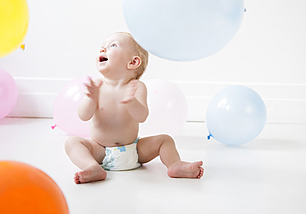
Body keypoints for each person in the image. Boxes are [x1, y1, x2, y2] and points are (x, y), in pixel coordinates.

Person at [65, 32, 204, 184]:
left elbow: (142, 116)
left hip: (135, 150)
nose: (103, 49)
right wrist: (91, 100)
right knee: (72, 142)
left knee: (165, 140)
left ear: (133, 62)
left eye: (112, 45)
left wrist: (133, 103)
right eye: (102, 46)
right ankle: (91, 166)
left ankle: (174, 164)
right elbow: (83, 115)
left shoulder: (136, 87)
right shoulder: (97, 86)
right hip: (100, 150)